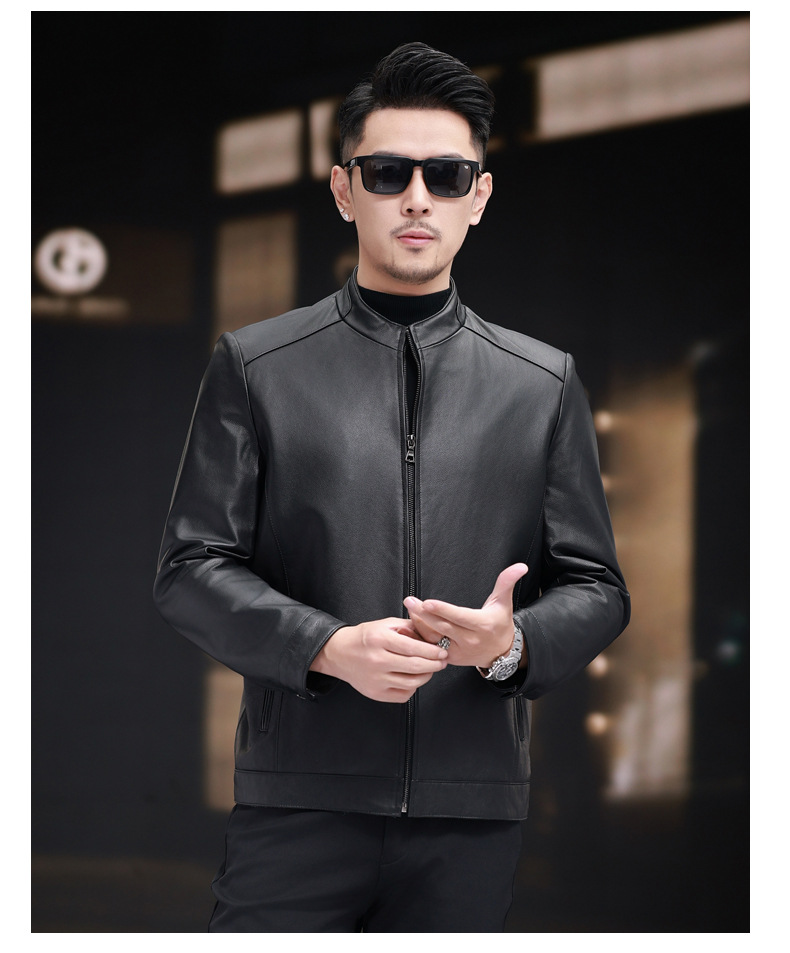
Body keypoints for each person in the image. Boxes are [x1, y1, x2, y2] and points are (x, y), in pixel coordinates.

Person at [154, 41, 630, 933]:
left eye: (446, 176)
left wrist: (510, 644)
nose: (418, 198)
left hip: (469, 813)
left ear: (478, 197)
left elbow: (599, 587)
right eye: (388, 173)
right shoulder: (257, 366)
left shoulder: (542, 382)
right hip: (297, 804)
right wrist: (328, 646)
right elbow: (189, 568)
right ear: (345, 190)